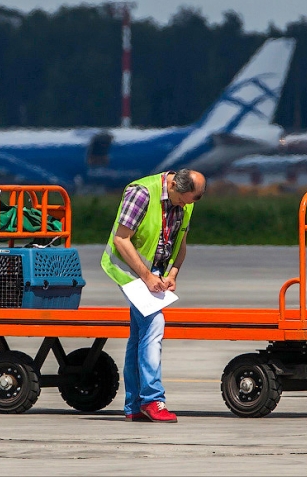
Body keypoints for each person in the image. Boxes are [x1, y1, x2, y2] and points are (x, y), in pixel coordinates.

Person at [100, 168, 206, 423]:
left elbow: (180, 243)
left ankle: (134, 405)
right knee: (155, 323)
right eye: (181, 201)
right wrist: (147, 277)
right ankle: (152, 399)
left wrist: (173, 273)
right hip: (129, 270)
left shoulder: (186, 201)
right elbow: (122, 239)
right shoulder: (141, 193)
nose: (184, 206)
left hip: (155, 273)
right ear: (173, 186)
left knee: (139, 336)